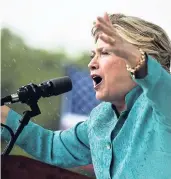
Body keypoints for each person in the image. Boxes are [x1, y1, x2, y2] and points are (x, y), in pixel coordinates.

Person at [1, 12, 171, 179]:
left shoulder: (161, 105)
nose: (91, 63)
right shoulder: (100, 118)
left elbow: (162, 88)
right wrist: (4, 116)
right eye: (92, 55)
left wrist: (136, 58)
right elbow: (51, 146)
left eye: (104, 53)